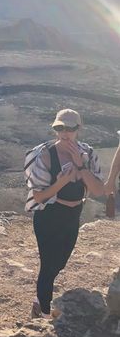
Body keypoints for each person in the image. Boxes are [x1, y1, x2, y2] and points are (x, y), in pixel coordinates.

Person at [23, 109, 111, 318]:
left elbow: (99, 190)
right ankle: (42, 311)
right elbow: (38, 196)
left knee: (60, 262)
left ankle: (40, 300)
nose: (65, 133)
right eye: (59, 128)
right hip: (49, 215)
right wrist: (62, 181)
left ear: (78, 129)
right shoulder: (45, 155)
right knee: (48, 263)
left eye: (70, 128)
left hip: (73, 214)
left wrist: (80, 166)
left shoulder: (87, 154)